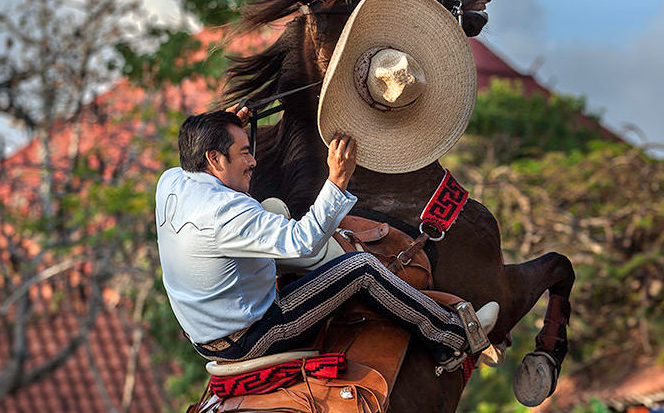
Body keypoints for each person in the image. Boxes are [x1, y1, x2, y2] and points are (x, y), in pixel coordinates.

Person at [154, 105, 494, 369]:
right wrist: (338, 180)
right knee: (360, 267)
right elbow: (304, 241)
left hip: (204, 333)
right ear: (214, 158)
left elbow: (214, 172)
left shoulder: (171, 181)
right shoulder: (226, 212)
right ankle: (451, 337)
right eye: (244, 152)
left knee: (272, 208)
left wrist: (228, 129)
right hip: (247, 338)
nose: (253, 160)